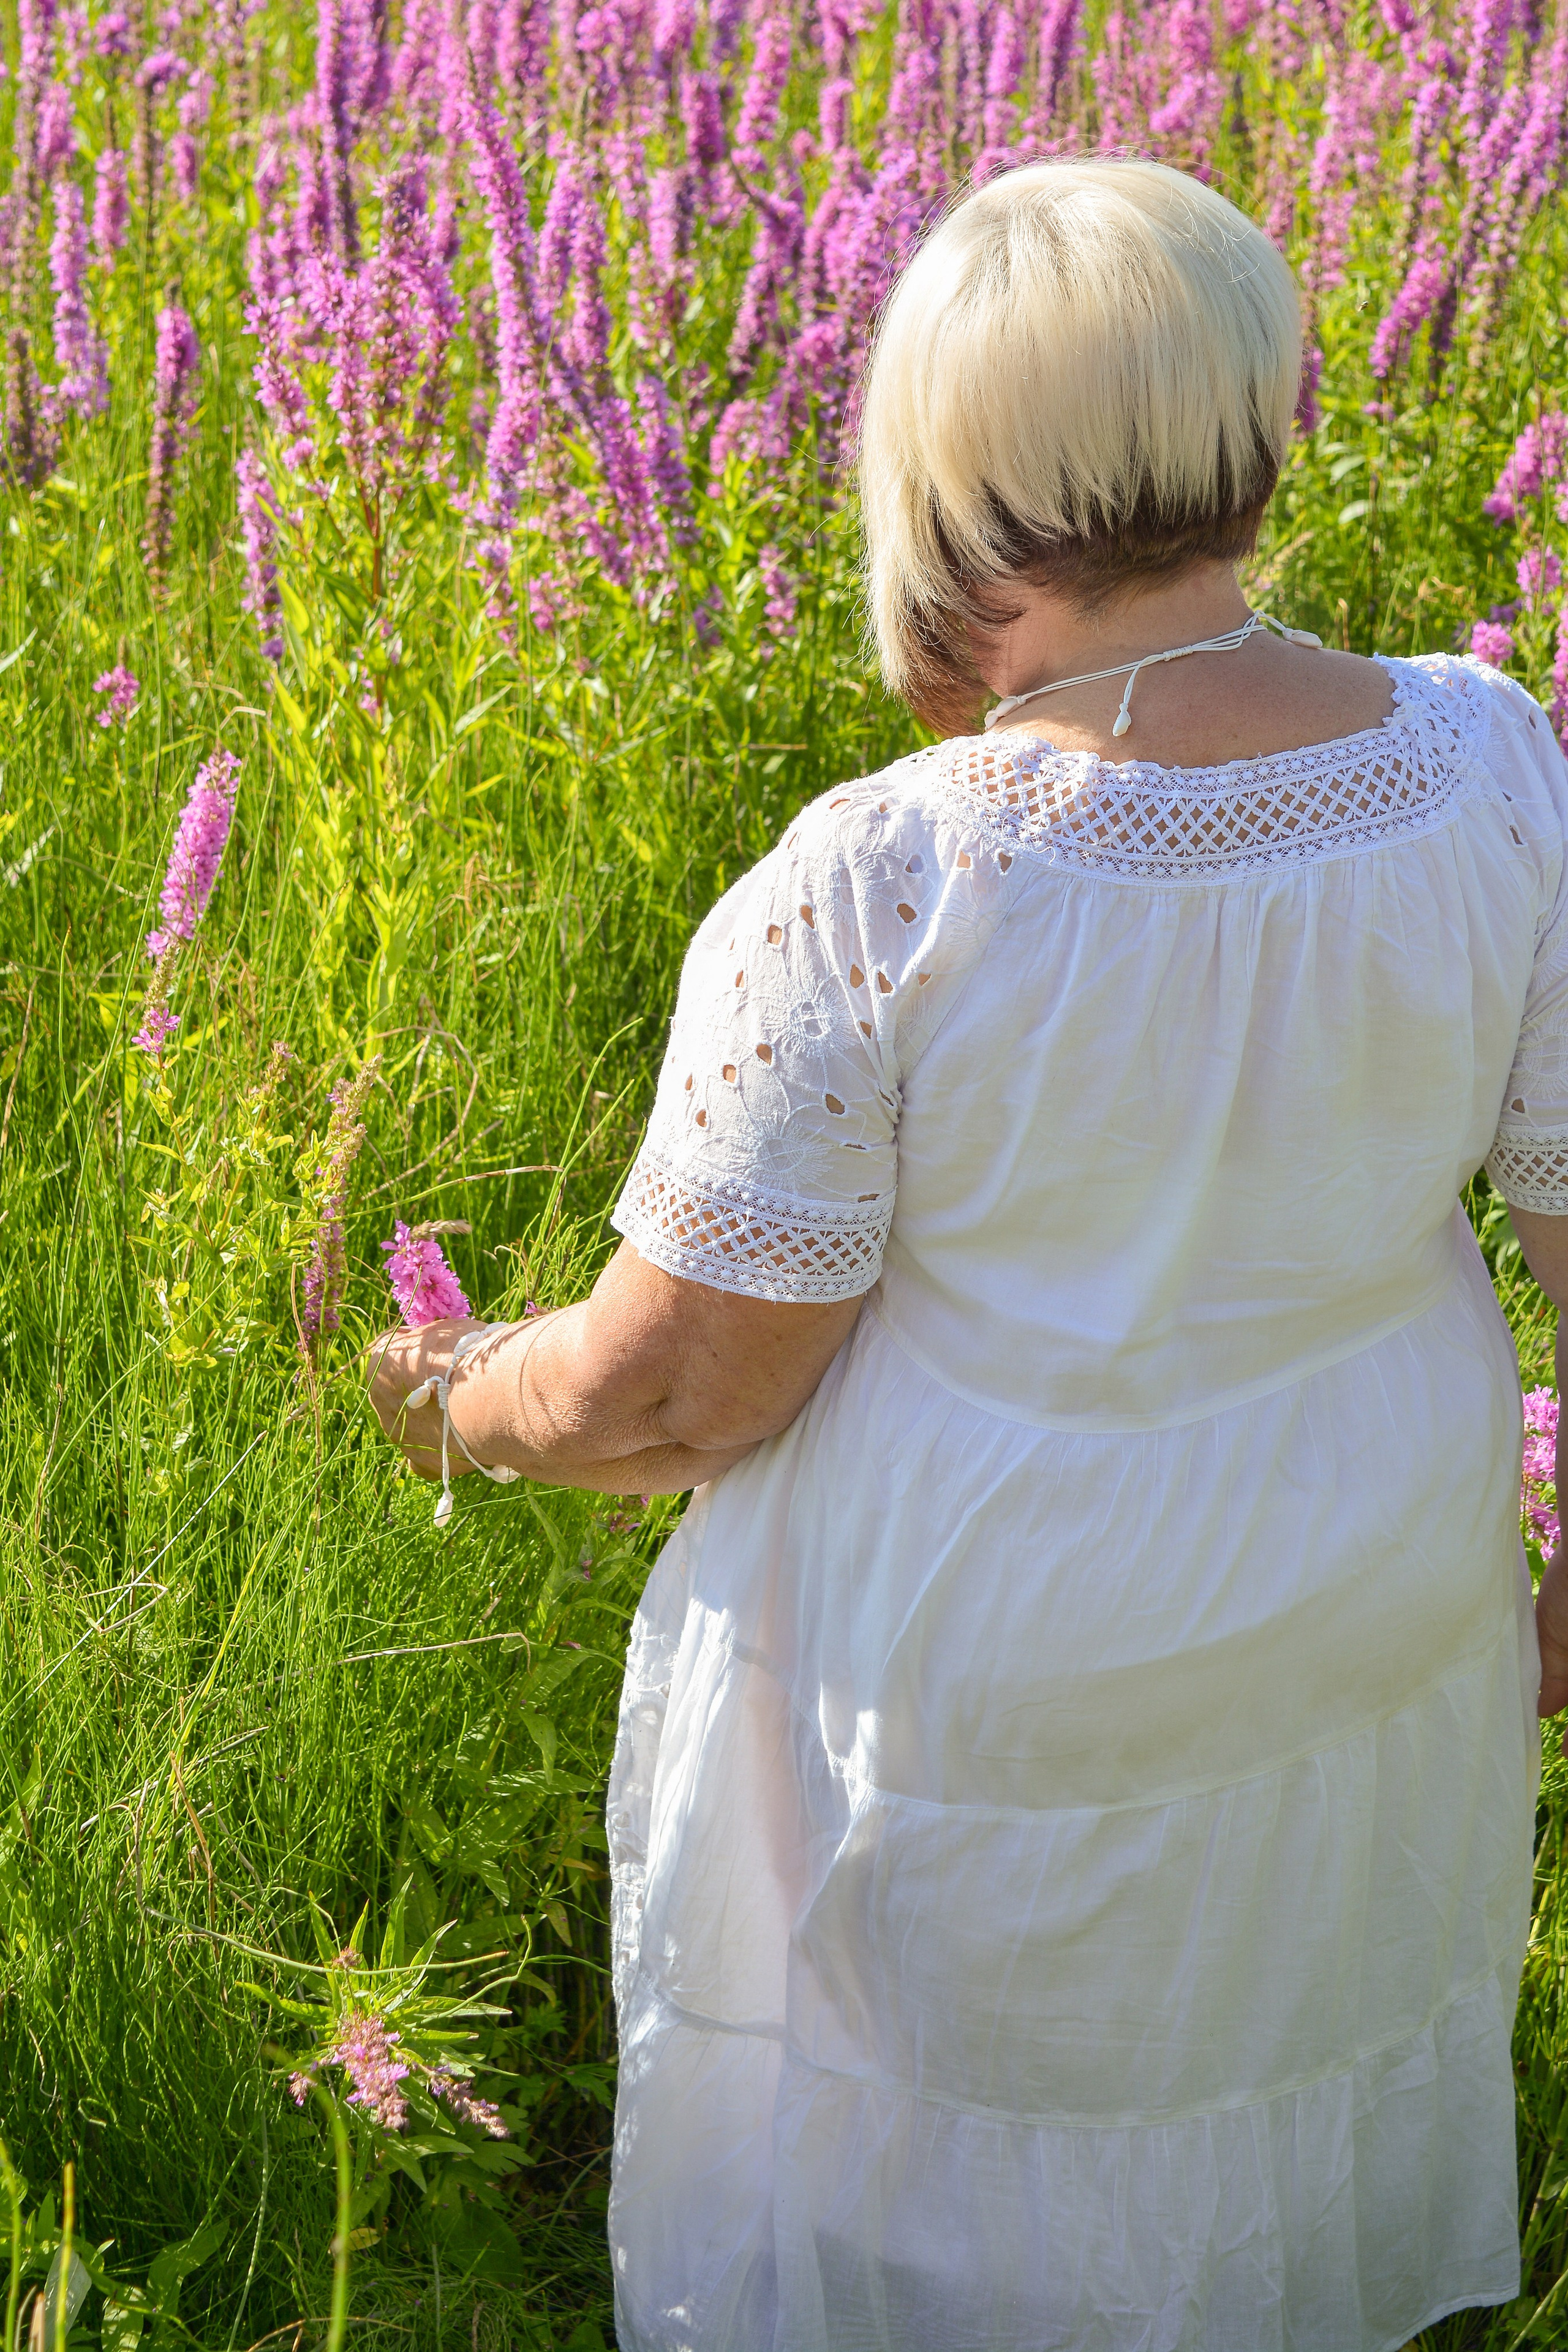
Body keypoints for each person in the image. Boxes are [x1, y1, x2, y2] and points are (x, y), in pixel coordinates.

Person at [369, 156, 1568, 2350]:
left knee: (967, 2170)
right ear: (1260, 417)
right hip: (1374, 1604)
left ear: (947, 472)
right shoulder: (1496, 765)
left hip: (995, 1663)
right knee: (1270, 2051)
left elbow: (687, 1387)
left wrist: (459, 1397)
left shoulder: (885, 878)